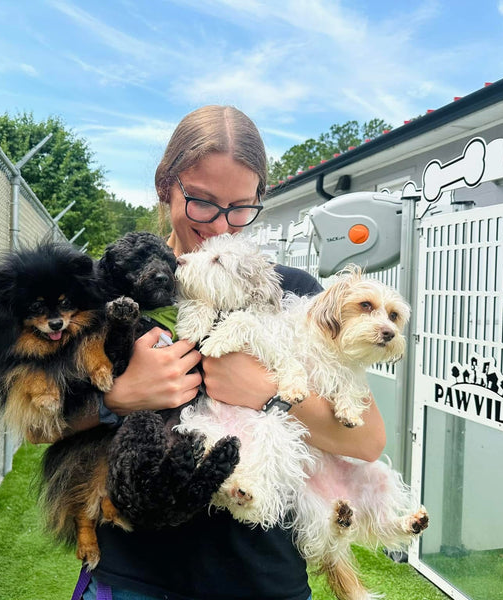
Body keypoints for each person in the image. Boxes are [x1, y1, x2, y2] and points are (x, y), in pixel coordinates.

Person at [79, 105, 387, 600]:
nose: (222, 226)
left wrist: (267, 393)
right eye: (202, 201)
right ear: (165, 187)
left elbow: (368, 440)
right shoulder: (120, 283)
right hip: (136, 571)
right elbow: (38, 425)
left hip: (260, 577)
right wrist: (117, 398)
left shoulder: (290, 291)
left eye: (241, 206)